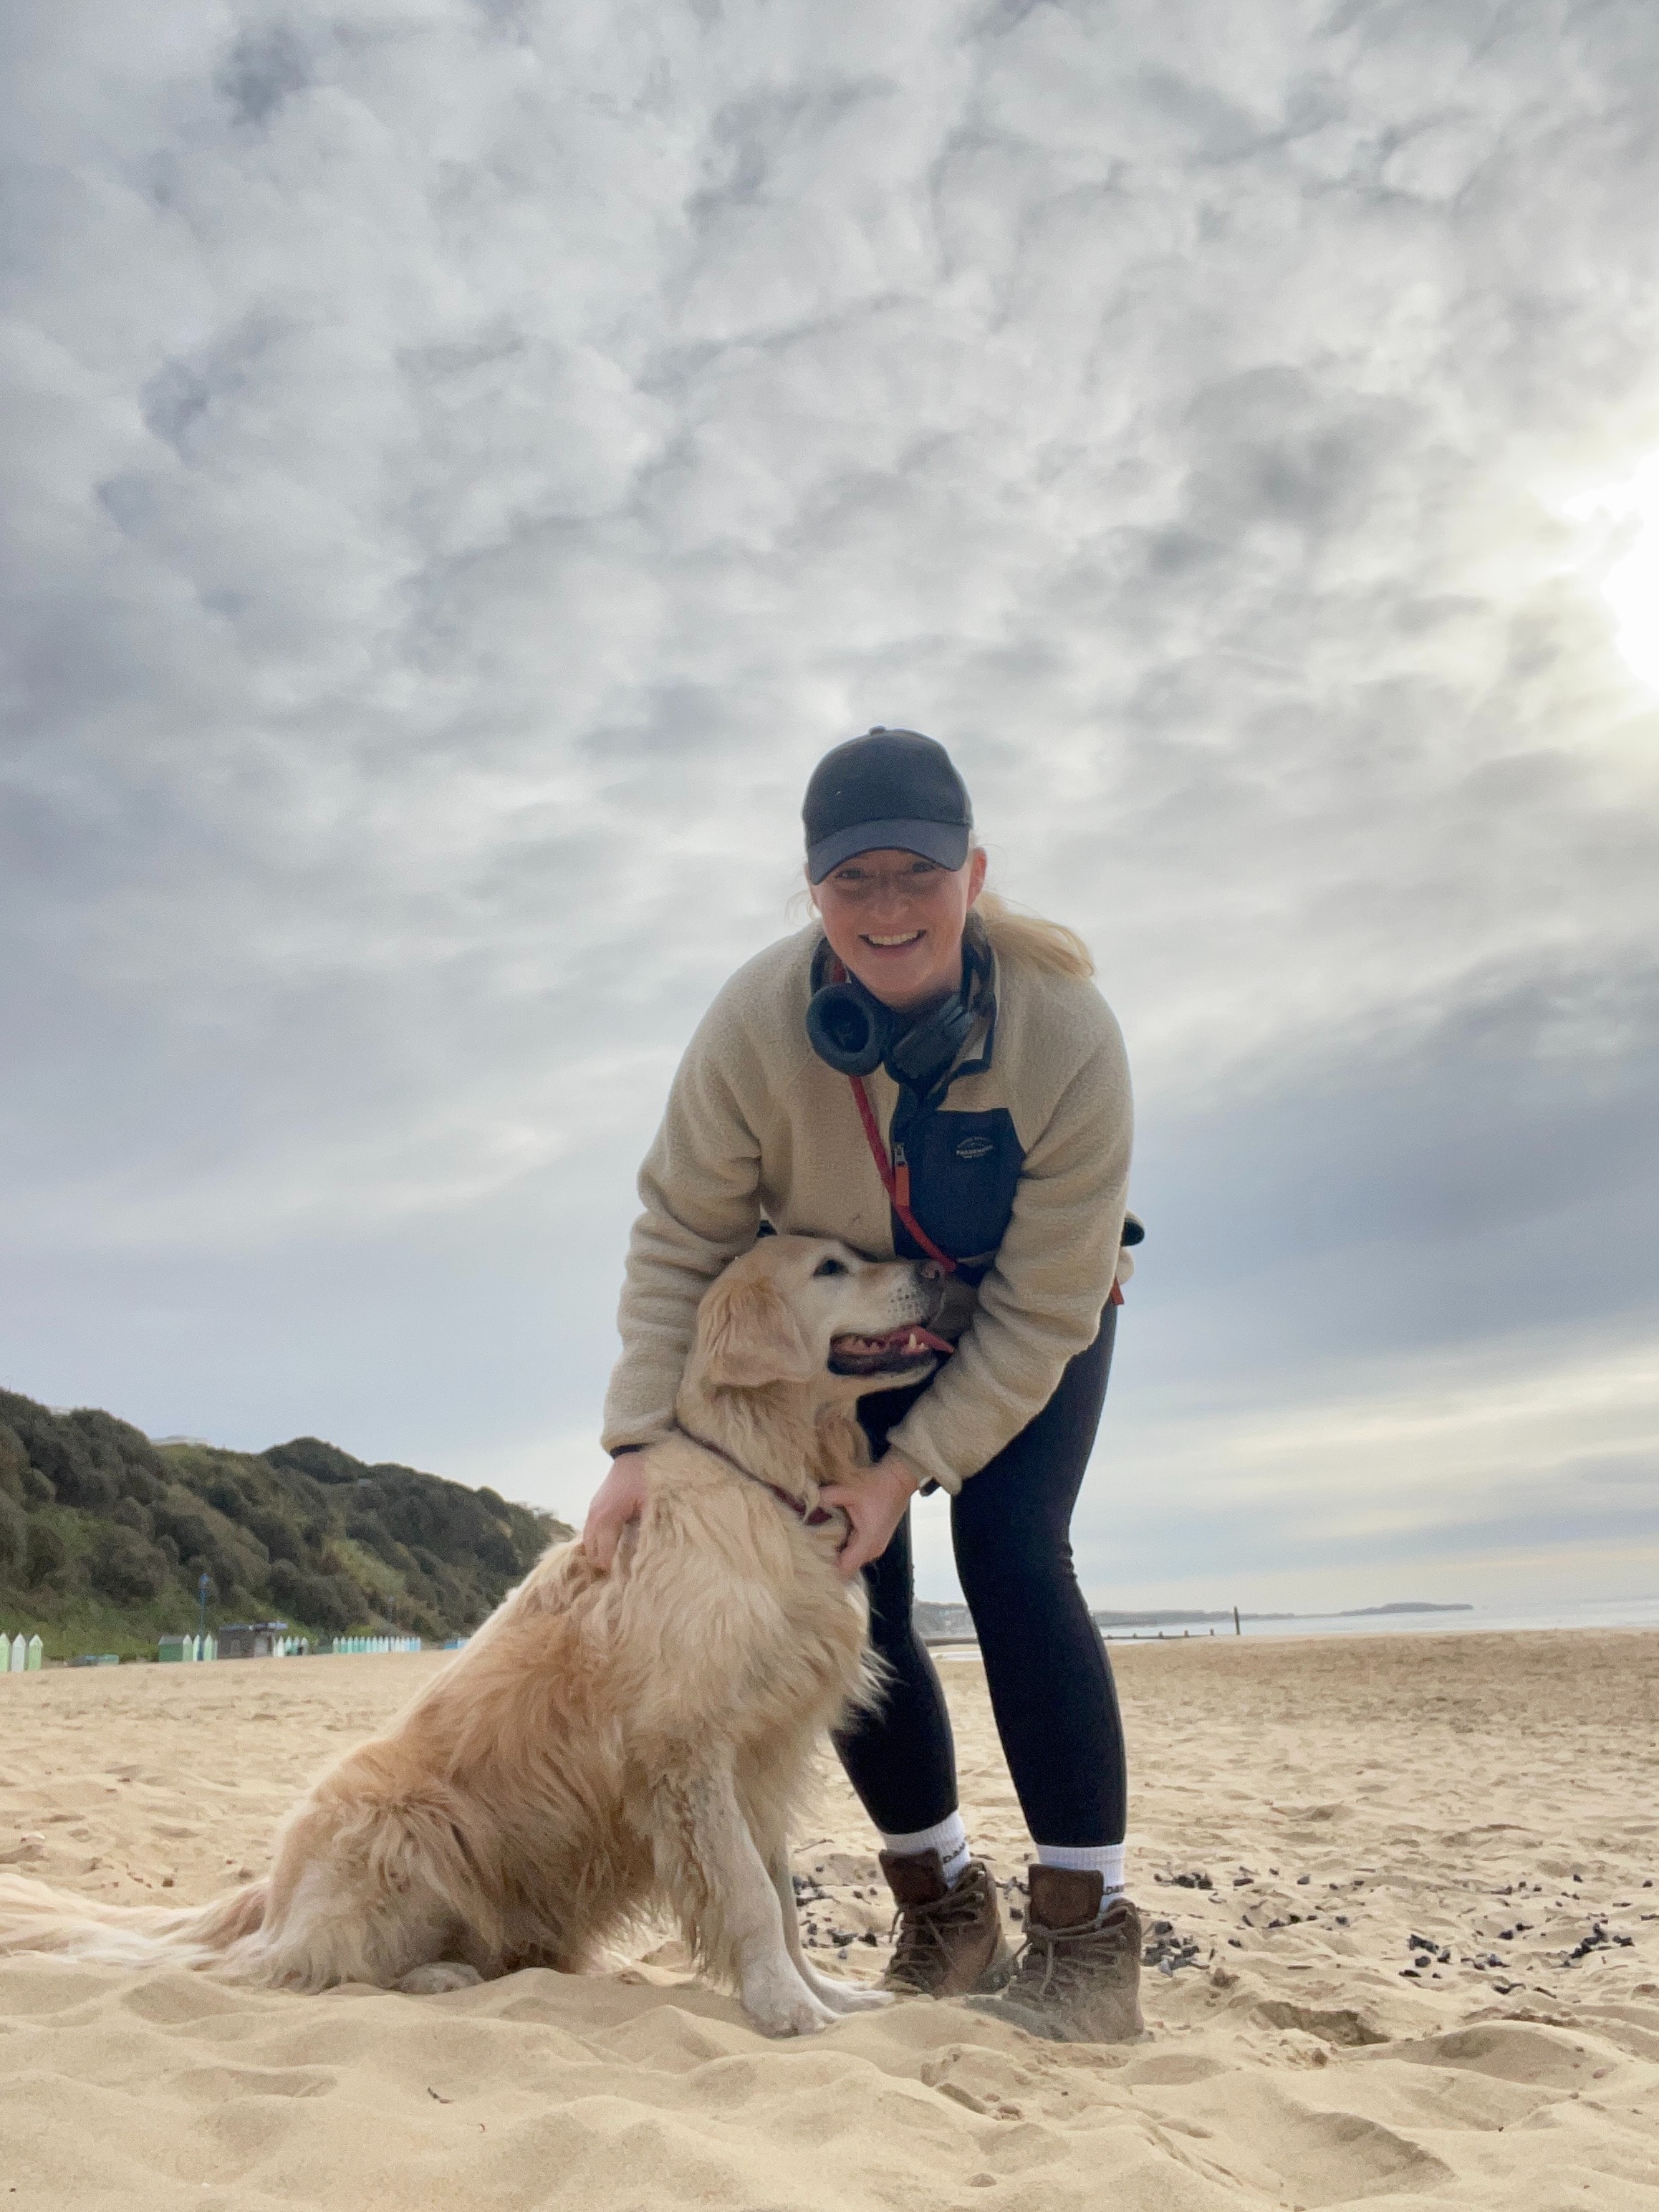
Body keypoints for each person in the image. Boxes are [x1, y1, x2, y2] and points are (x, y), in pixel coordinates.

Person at [583, 728, 1143, 2042]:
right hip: (853, 1325)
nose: (887, 908)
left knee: (1014, 1552)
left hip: (1021, 1314)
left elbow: (1050, 1304)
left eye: (918, 875)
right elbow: (682, 1236)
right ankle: (943, 1908)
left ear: (974, 875)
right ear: (814, 891)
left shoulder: (1068, 1031)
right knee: (843, 1577)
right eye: (853, 882)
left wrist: (908, 1472)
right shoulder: (755, 1024)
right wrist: (637, 1442)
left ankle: (1088, 1943)